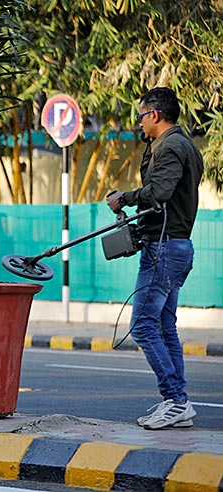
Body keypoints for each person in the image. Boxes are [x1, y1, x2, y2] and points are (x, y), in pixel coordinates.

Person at [106, 87, 203, 430]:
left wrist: (125, 197)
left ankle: (175, 400)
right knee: (164, 326)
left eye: (141, 116)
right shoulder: (184, 145)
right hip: (171, 245)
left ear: (155, 115)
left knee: (144, 325)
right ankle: (177, 403)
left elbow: (159, 192)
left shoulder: (172, 146)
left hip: (164, 248)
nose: (140, 123)